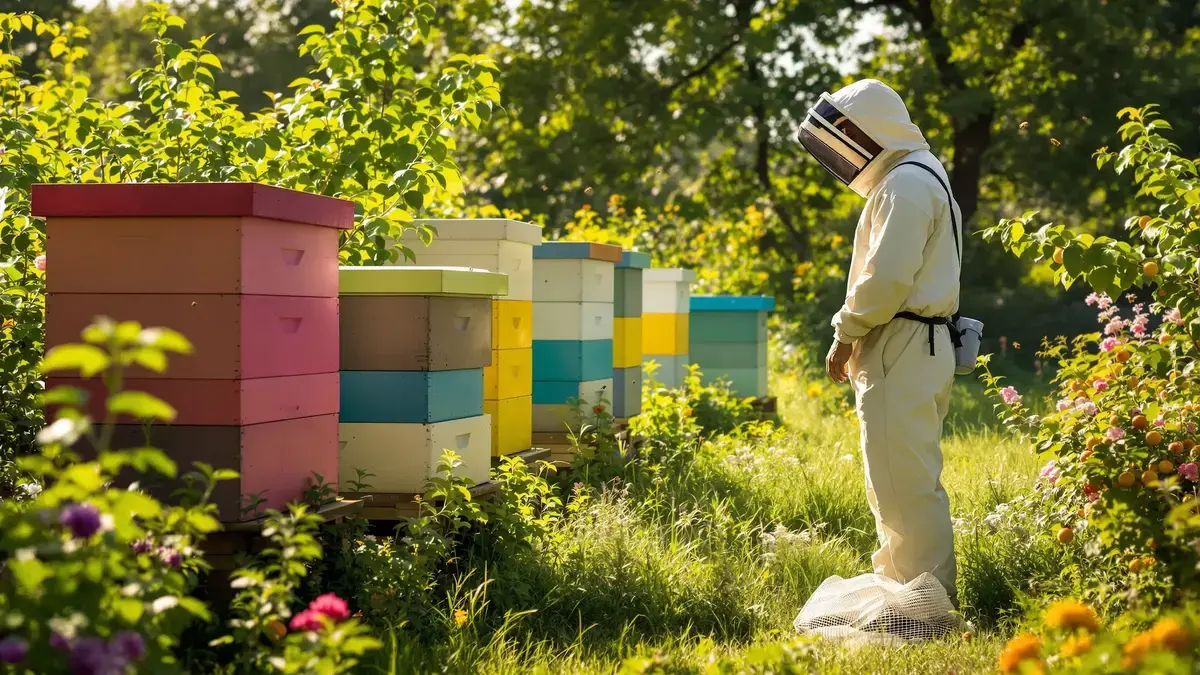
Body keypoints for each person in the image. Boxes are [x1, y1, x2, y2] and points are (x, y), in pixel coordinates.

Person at [796, 78, 961, 606]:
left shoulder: (906, 184)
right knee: (897, 478)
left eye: (845, 133)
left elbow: (885, 279)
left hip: (902, 341)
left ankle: (925, 606)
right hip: (917, 342)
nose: (841, 147)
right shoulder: (917, 176)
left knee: (903, 483)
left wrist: (845, 334)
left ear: (864, 128)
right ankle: (903, 596)